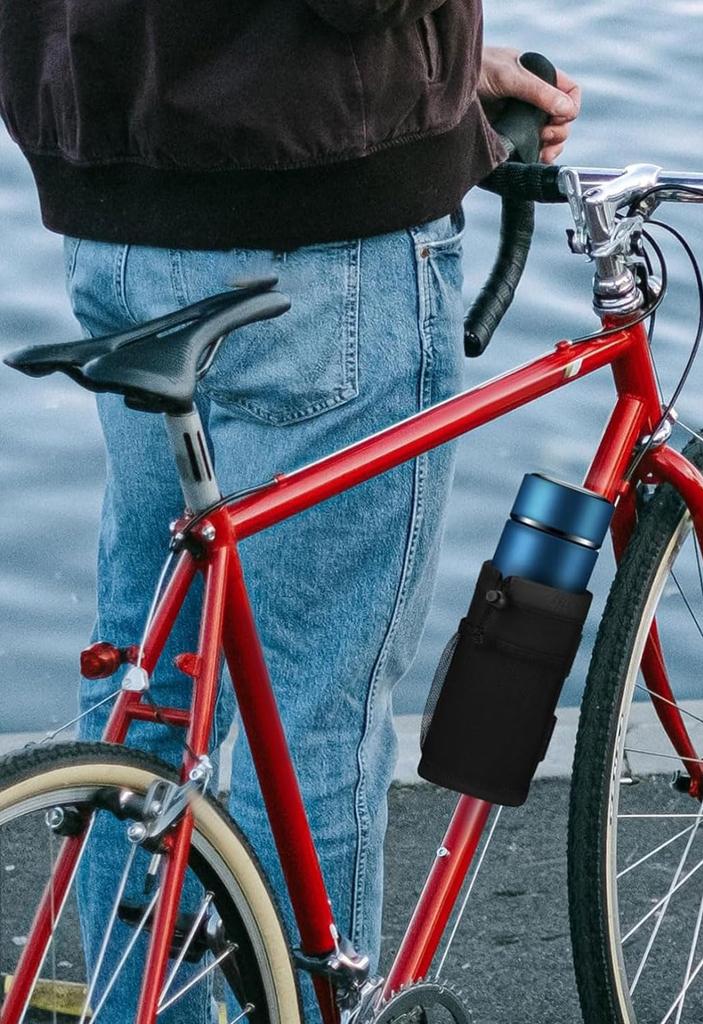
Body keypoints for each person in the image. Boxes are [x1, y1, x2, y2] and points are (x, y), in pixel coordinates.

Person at [0, 2, 579, 1018]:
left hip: (114, 200)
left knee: (149, 690)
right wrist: (415, 71)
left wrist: (436, 83)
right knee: (317, 716)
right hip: (321, 234)